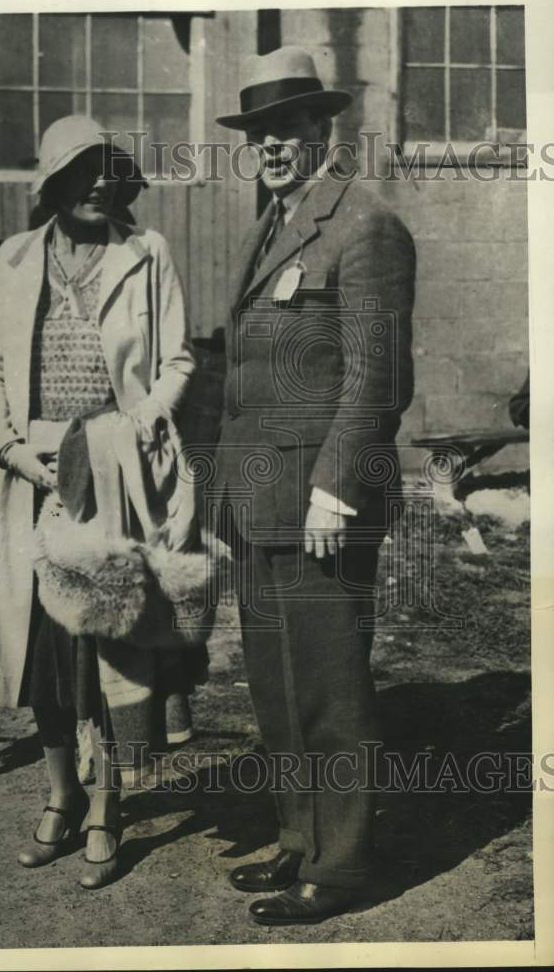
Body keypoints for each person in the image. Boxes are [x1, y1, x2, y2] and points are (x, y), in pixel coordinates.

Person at [0, 115, 199, 888]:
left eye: (109, 170)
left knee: (108, 648)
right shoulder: (17, 257)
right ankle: (59, 796)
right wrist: (8, 448)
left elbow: (177, 361)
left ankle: (108, 804)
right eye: (80, 171)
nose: (98, 183)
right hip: (31, 473)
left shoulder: (145, 253)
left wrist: (135, 430)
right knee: (42, 650)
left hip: (114, 471)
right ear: (53, 185)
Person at [214, 46, 415, 925]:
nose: (270, 145)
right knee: (275, 683)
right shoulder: (272, 221)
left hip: (319, 502)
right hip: (259, 498)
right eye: (258, 131)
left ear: (321, 129)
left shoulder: (362, 224)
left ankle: (340, 867)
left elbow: (375, 376)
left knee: (330, 689)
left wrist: (336, 489)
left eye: (285, 128)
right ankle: (299, 838)